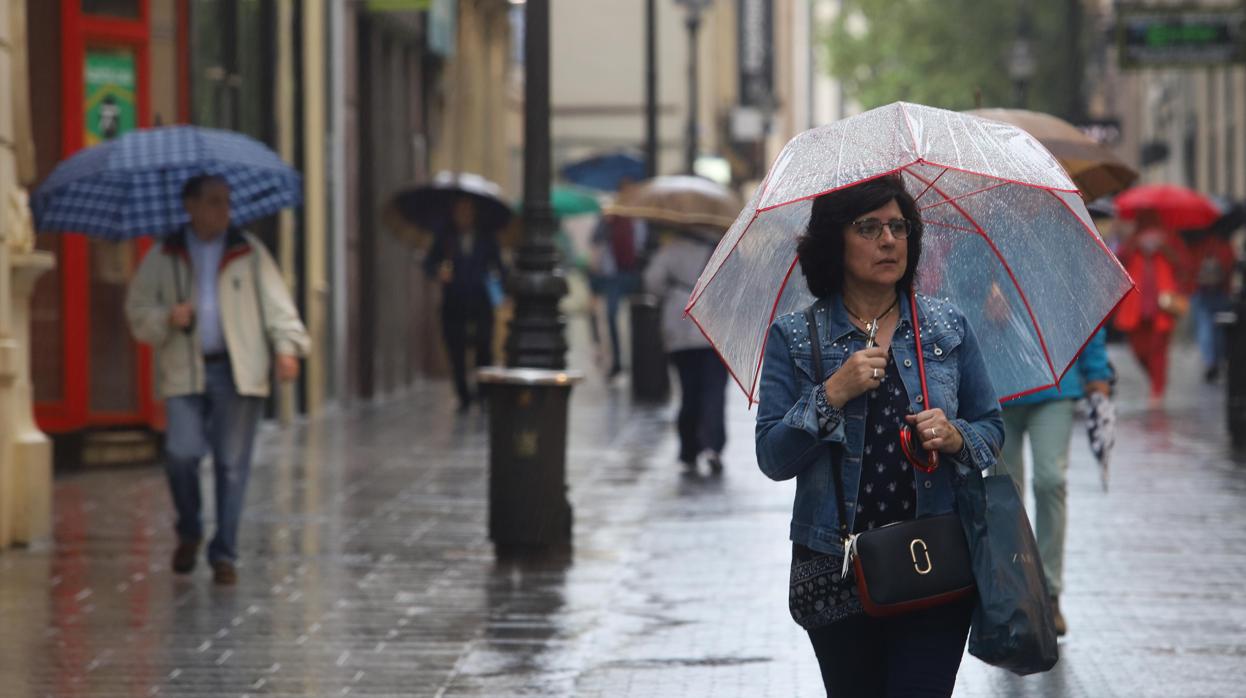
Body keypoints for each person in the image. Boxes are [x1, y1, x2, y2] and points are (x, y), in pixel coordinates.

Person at [755, 174, 1003, 696]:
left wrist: (956, 437)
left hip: (934, 556)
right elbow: (773, 457)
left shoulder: (945, 326)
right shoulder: (795, 337)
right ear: (834, 241)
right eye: (868, 227)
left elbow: (991, 428)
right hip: (835, 567)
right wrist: (832, 394)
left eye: (899, 226)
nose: (889, 240)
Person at [125, 175, 309, 585]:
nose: (224, 210)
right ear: (189, 206)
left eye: (227, 202)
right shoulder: (164, 254)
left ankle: (224, 553)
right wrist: (166, 318)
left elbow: (279, 307)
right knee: (181, 454)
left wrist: (287, 347)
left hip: (237, 370)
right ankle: (189, 529)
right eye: (213, 202)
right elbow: (137, 310)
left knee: (230, 465)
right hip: (184, 368)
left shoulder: (248, 252)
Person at [999, 327, 1112, 637]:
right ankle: (1015, 592)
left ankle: (1049, 592)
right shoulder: (976, 274)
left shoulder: (1063, 274)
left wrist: (1097, 372)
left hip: (1055, 384)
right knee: (1004, 494)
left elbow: (1083, 314)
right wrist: (984, 307)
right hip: (997, 386)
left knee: (1050, 480)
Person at [643, 228, 727, 475]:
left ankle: (689, 448)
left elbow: (652, 283)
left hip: (679, 327)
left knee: (689, 391)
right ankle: (713, 445)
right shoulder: (720, 248)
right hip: (714, 328)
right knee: (714, 391)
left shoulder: (670, 250)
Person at [424, 196, 507, 412]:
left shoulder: (486, 238)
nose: (464, 216)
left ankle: (483, 393)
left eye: (468, 211)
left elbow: (499, 267)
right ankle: (463, 395)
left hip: (480, 299)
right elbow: (429, 264)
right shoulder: (445, 237)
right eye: (460, 211)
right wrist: (438, 272)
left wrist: (503, 289)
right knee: (455, 349)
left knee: (483, 346)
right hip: (454, 300)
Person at [1113, 210, 1187, 407]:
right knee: (1138, 349)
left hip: (1162, 306)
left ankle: (1157, 388)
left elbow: (1182, 264)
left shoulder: (1169, 240)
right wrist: (1133, 243)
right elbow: (1119, 260)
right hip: (1136, 306)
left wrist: (1165, 248)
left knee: (1159, 350)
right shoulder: (1132, 242)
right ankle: (1155, 379)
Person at [1186, 230, 1236, 382]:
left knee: (1205, 327)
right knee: (1219, 330)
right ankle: (1218, 360)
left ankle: (1210, 361)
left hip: (1201, 292)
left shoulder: (1196, 243)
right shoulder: (1225, 245)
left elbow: (1189, 267)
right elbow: (1230, 266)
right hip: (1221, 293)